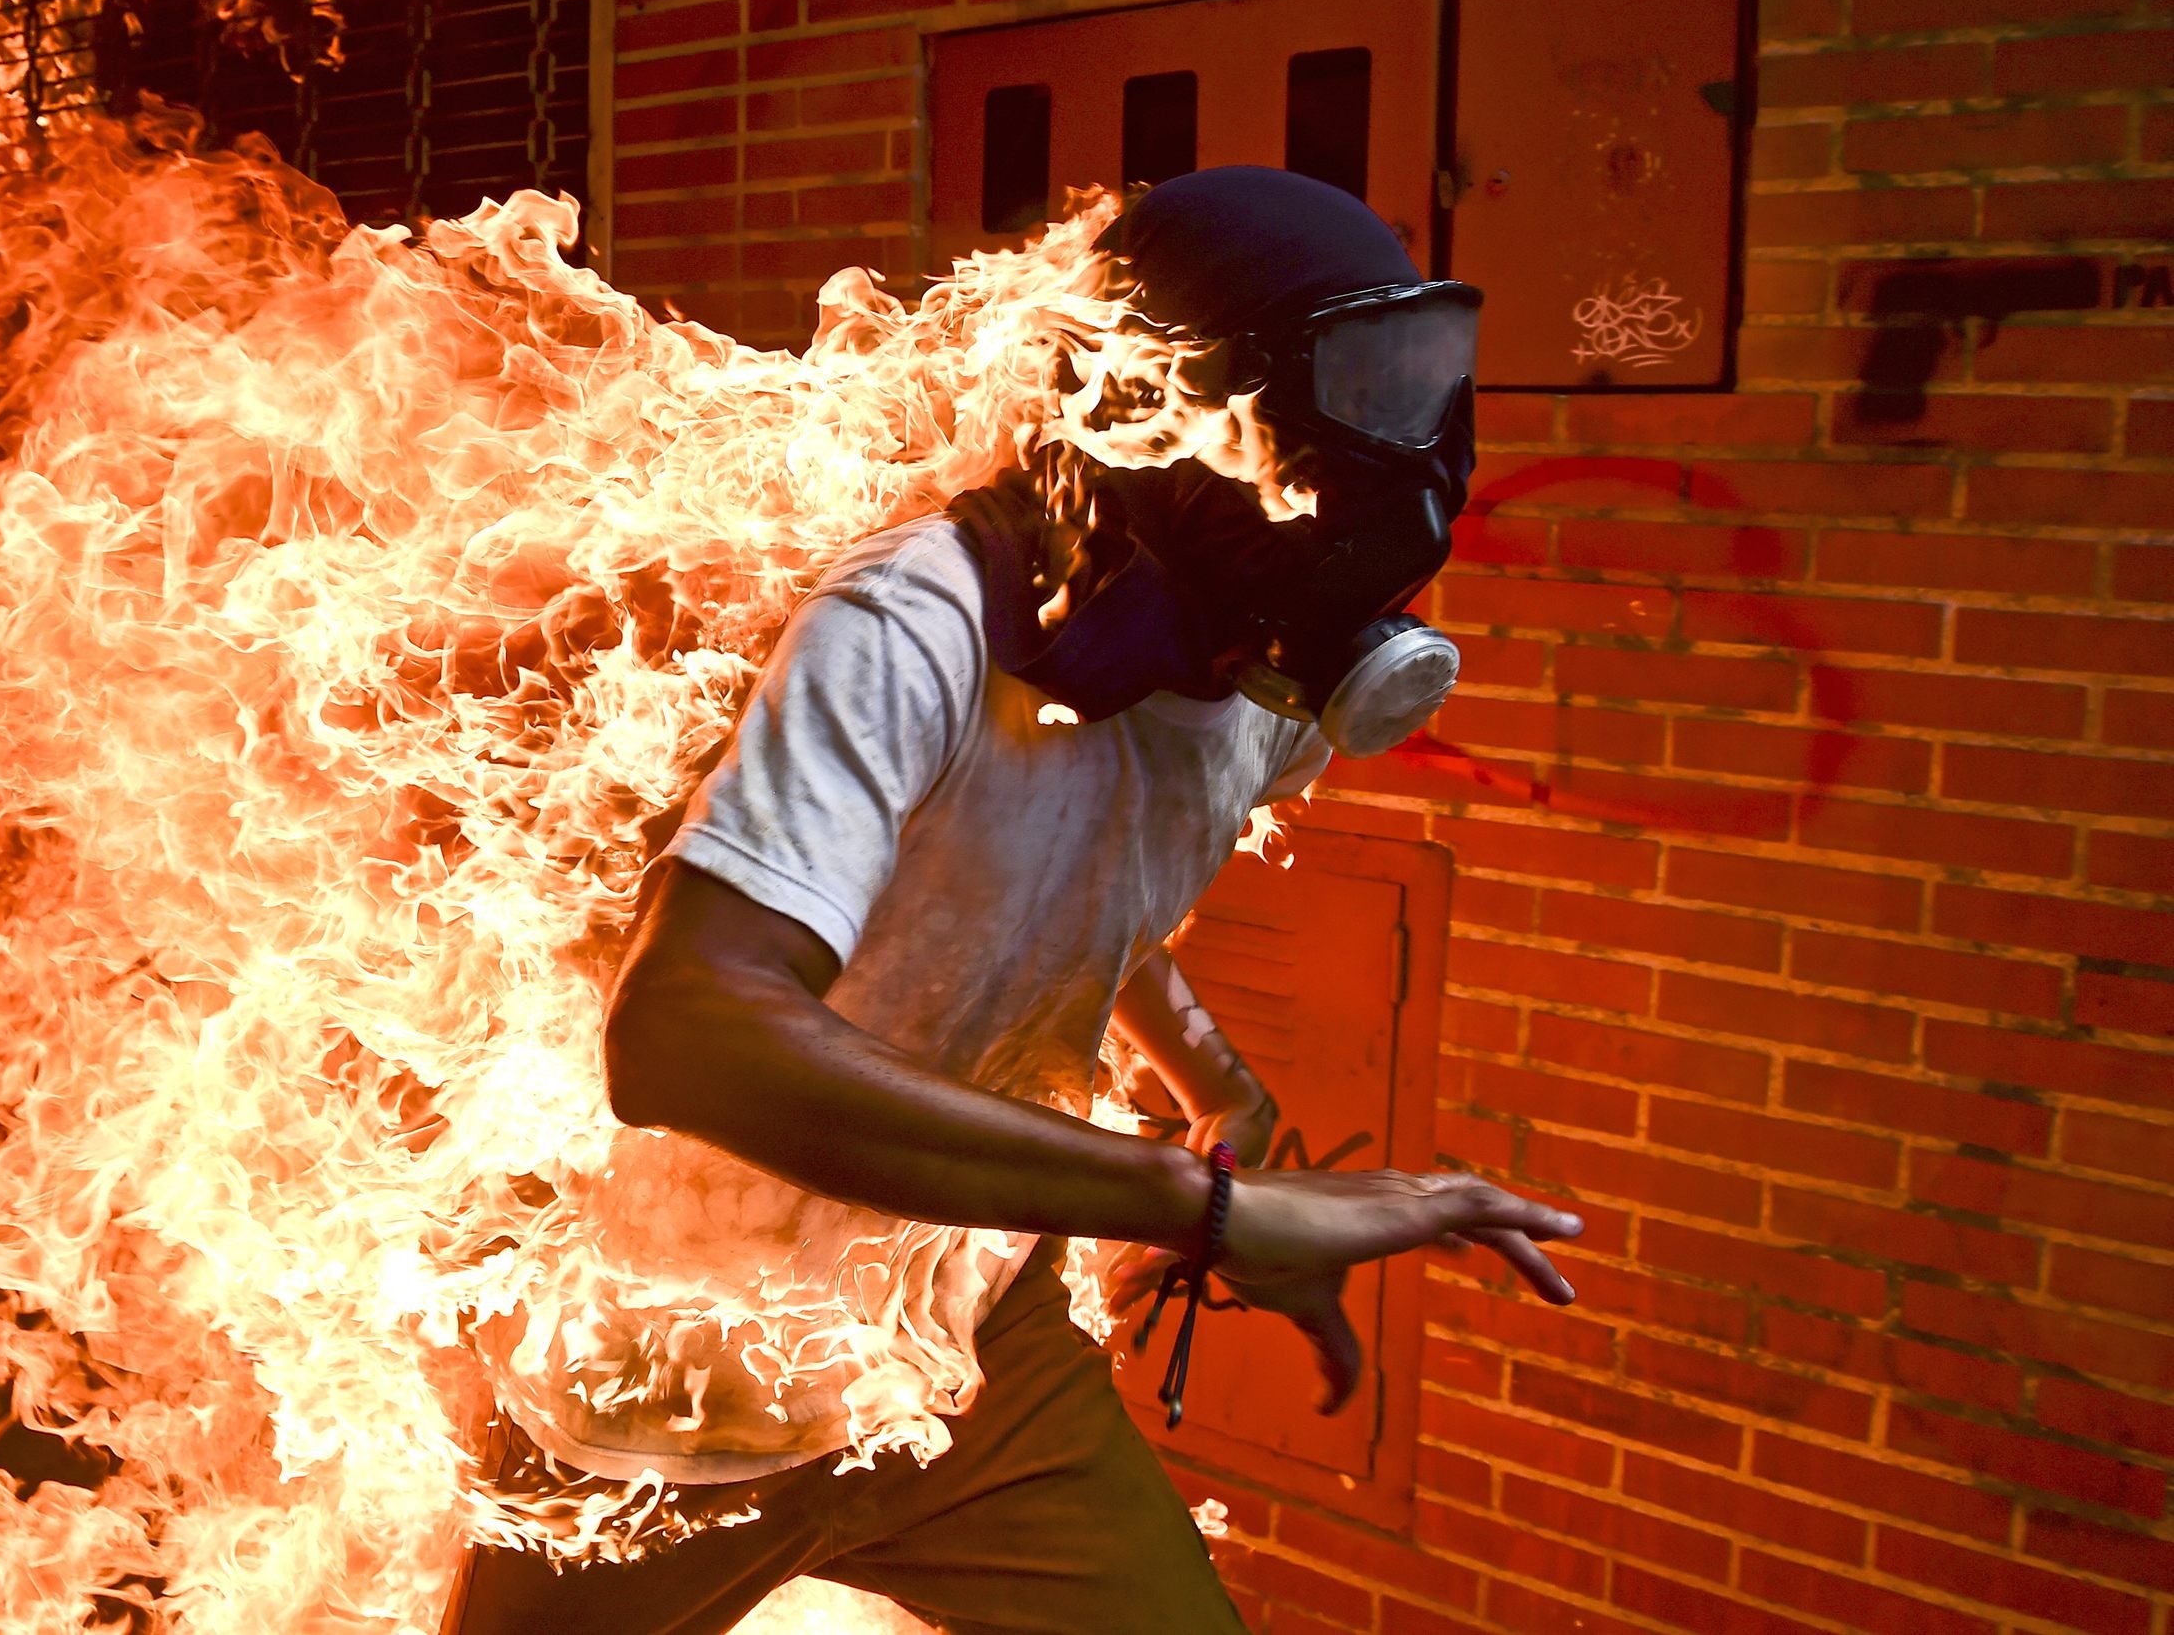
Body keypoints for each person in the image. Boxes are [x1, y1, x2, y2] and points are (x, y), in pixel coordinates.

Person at [444, 168, 1582, 1635]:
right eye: (1363, 383)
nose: (1404, 449)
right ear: (1166, 407)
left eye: (1426, 380)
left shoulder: (1261, 680)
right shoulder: (910, 625)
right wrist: (1214, 1205)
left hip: (971, 1341)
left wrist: (1219, 1092)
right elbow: (687, 1027)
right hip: (680, 1384)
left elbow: (1067, 889)